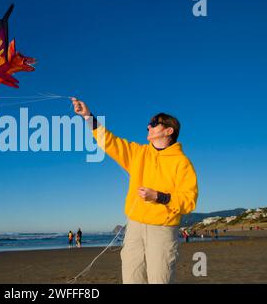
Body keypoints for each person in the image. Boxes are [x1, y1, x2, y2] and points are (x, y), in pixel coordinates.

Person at [72, 98, 198, 284]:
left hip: (162, 229)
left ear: (169, 131)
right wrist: (88, 116)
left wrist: (158, 196)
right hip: (134, 226)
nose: (149, 125)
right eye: (149, 123)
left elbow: (189, 201)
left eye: (155, 123)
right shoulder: (138, 153)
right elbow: (109, 142)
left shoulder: (182, 162)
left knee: (160, 279)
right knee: (131, 278)